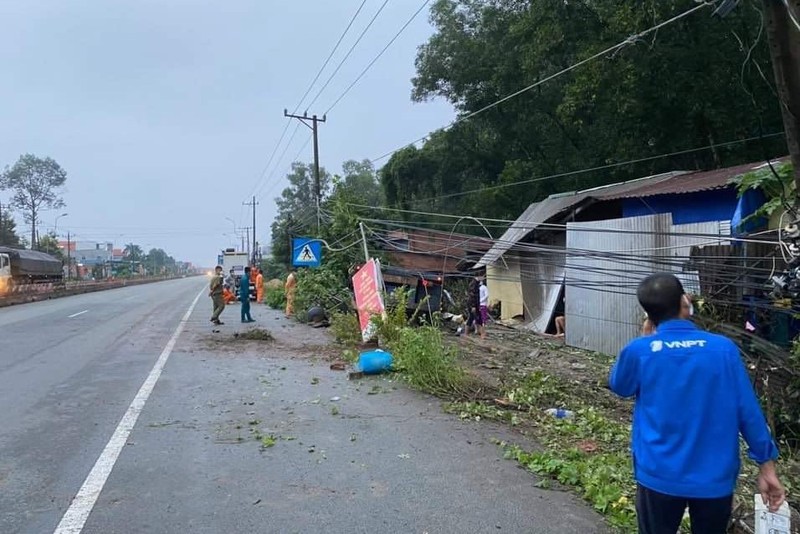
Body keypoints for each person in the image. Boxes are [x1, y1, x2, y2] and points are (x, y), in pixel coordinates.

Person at [610, 273, 784, 533]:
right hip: (714, 480)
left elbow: (620, 386)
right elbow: (748, 411)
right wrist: (766, 465)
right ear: (685, 302)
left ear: (648, 313)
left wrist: (646, 338)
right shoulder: (723, 349)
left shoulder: (641, 351)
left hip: (658, 475)